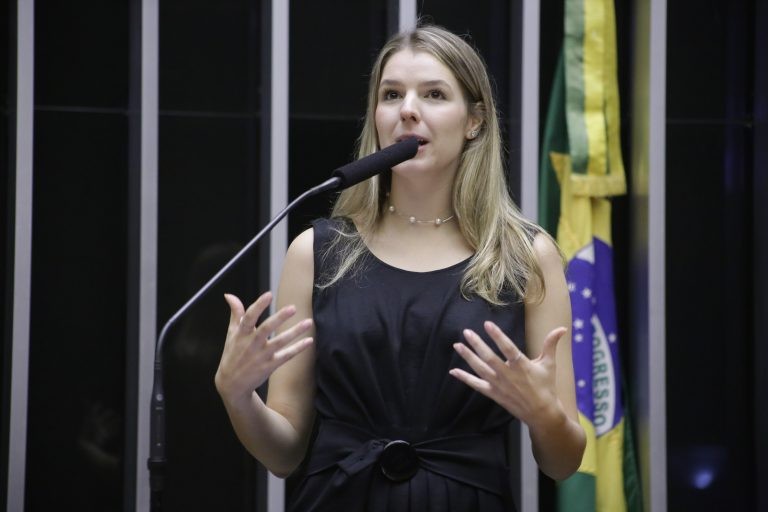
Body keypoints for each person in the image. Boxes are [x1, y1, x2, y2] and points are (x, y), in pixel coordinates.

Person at [215, 24, 586, 511]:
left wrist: (544, 414)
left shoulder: (524, 257)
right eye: (391, 94)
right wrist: (237, 394)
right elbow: (283, 454)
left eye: (434, 94)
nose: (407, 109)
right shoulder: (315, 252)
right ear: (377, 115)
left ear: (474, 121)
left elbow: (562, 462)